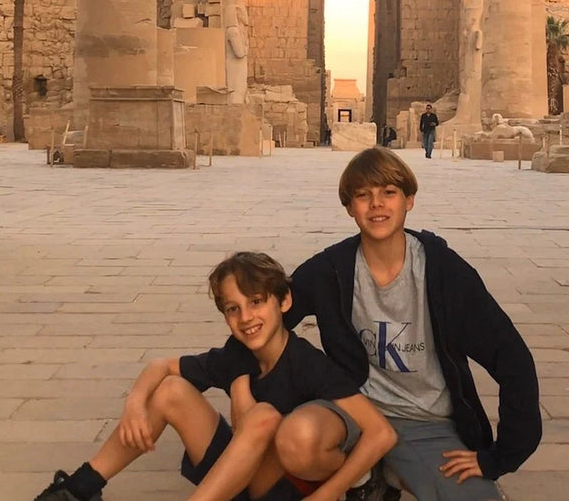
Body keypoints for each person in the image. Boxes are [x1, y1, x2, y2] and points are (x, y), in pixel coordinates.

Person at [283, 147, 542, 500]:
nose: (376, 204)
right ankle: (364, 478)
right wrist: (242, 382)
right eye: (363, 195)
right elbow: (266, 322)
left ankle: (389, 469)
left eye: (389, 192)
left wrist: (502, 456)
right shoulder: (329, 270)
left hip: (425, 422)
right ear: (349, 207)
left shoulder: (444, 272)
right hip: (353, 412)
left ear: (409, 200)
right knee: (298, 439)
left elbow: (511, 356)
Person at [34, 252, 396, 501]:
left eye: (256, 302)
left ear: (284, 302)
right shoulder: (237, 354)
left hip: (285, 484)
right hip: (238, 476)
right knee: (171, 389)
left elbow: (381, 432)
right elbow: (161, 365)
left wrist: (328, 493)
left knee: (263, 416)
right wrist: (134, 405)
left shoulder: (307, 363)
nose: (246, 317)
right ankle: (79, 487)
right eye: (233, 309)